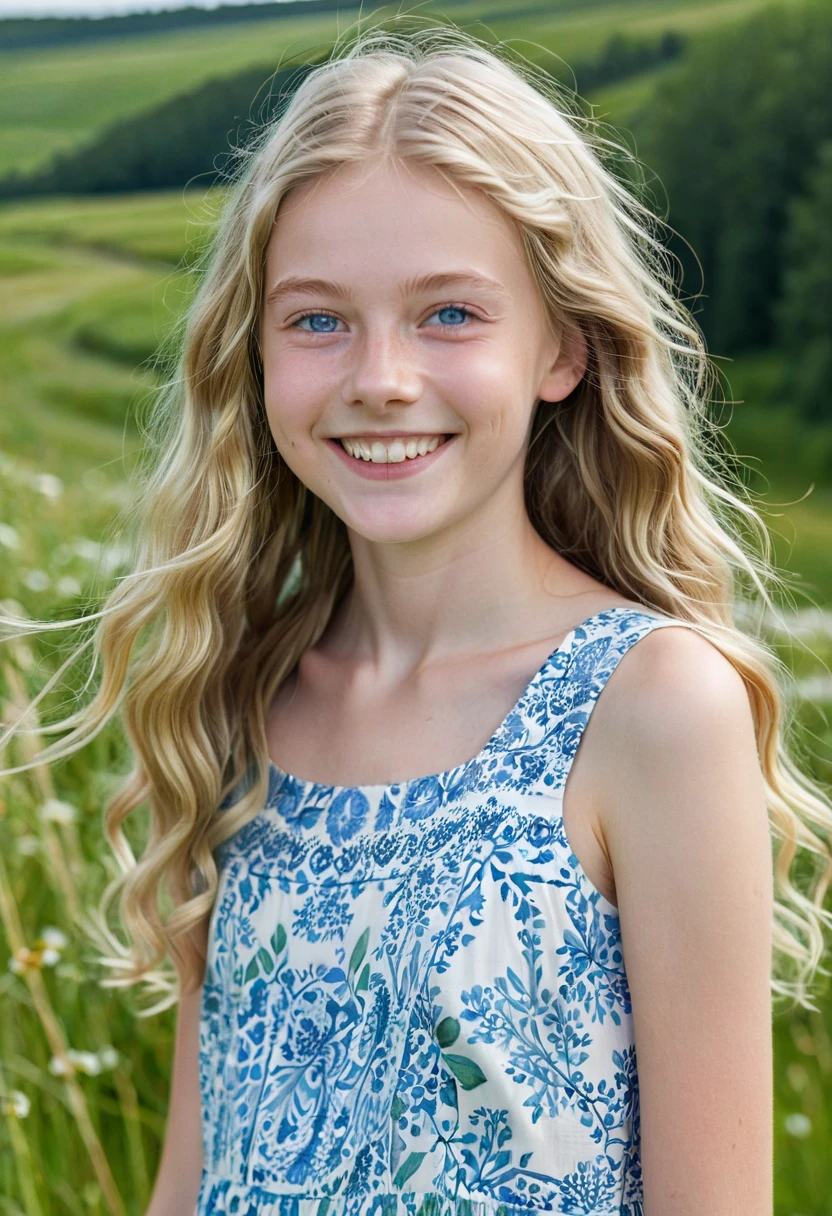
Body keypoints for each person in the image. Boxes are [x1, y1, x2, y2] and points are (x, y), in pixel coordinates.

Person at [3, 19, 831, 1216]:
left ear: (563, 347)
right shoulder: (244, 694)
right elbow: (190, 1180)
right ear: (255, 353)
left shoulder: (651, 707)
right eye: (318, 319)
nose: (379, 376)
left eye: (449, 314)